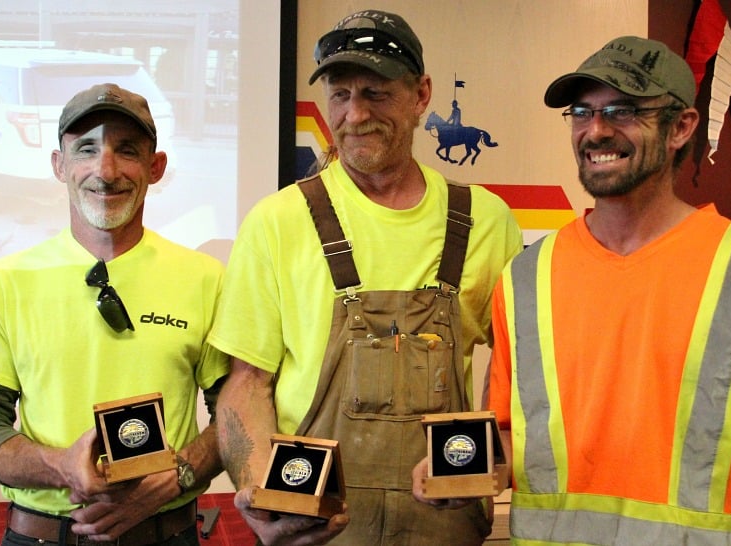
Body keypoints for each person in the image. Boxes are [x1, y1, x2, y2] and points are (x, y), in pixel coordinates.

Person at [415, 35, 731, 544]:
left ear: (681, 127)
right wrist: (461, 469)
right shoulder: (527, 278)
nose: (595, 131)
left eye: (623, 111)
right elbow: (513, 437)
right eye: (581, 112)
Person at [209, 8, 521, 545]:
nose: (355, 115)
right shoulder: (279, 220)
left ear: (422, 95)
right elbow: (246, 384)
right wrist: (260, 484)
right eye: (339, 93)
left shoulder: (485, 221)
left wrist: (500, 458)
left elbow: (527, 383)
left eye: (376, 93)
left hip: (443, 526)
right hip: (316, 527)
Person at [0, 83, 230, 545]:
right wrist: (60, 466)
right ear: (59, 165)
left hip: (168, 533)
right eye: (86, 149)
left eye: (127, 151)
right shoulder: (6, 281)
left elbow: (236, 413)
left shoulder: (206, 278)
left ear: (155, 167)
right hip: (40, 535)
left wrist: (176, 476)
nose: (105, 171)